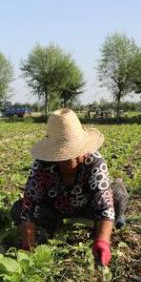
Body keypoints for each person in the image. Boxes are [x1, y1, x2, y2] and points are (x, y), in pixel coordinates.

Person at [11, 109, 128, 266]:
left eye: (74, 151)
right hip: (54, 210)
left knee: (118, 193)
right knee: (18, 209)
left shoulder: (94, 161)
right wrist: (28, 241)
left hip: (88, 208)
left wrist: (102, 241)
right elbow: (30, 203)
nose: (71, 158)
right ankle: (50, 228)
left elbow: (104, 204)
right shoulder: (42, 164)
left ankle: (109, 224)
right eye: (64, 154)